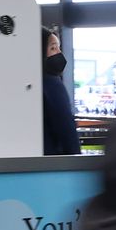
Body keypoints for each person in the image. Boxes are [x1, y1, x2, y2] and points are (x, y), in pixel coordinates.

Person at [40, 28, 81, 156]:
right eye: (53, 48)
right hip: (52, 162)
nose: (59, 53)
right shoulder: (52, 84)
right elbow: (66, 130)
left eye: (59, 47)